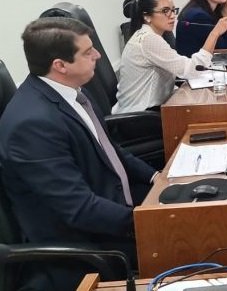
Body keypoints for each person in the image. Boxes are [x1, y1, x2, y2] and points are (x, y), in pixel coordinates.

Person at [0, 17, 157, 290]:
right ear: (60, 66)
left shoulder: (72, 92)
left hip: (115, 207)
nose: (98, 55)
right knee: (201, 240)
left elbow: (110, 149)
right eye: (87, 51)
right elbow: (80, 209)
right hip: (90, 244)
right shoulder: (32, 124)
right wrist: (146, 222)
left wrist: (157, 177)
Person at [115, 0, 227, 113]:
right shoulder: (148, 40)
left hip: (149, 109)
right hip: (141, 115)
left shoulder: (149, 35)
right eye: (165, 11)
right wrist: (215, 33)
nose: (172, 16)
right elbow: (192, 69)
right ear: (147, 16)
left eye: (173, 10)